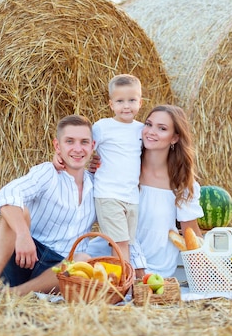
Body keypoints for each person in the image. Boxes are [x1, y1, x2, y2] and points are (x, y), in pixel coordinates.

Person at [0, 114, 97, 296]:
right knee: (18, 210)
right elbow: (7, 194)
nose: (77, 149)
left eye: (84, 142)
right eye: (69, 141)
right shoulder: (48, 172)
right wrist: (24, 235)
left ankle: (12, 294)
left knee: (84, 261)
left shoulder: (99, 185)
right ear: (57, 146)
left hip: (57, 272)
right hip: (26, 256)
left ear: (92, 146)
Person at [87, 104, 204, 279]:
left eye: (162, 128)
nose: (151, 131)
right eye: (148, 124)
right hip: (116, 256)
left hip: (157, 269)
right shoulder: (122, 172)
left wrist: (208, 274)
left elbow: (191, 233)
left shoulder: (182, 183)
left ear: (174, 138)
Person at [91, 74, 144, 264]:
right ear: (111, 104)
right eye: (120, 101)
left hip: (132, 197)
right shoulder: (103, 127)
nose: (126, 106)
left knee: (126, 243)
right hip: (109, 194)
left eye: (132, 100)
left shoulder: (142, 129)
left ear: (140, 102)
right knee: (119, 243)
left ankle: (123, 283)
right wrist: (91, 162)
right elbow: (85, 148)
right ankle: (123, 288)